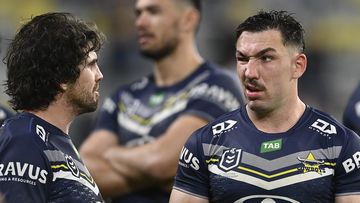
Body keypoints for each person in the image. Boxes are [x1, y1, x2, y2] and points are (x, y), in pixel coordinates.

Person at [170, 10, 360, 203]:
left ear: (298, 65)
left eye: (266, 58)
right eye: (243, 59)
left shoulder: (340, 144)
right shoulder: (205, 143)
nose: (249, 72)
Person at [79, 0, 244, 202]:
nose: (140, 22)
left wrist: (112, 155)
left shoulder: (217, 85)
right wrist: (156, 172)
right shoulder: (124, 96)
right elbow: (85, 170)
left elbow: (162, 162)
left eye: (154, 12)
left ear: (188, 20)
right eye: (138, 13)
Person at [0, 12, 105, 202]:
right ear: (62, 78)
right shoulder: (24, 140)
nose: (99, 75)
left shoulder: (55, 142)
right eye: (91, 65)